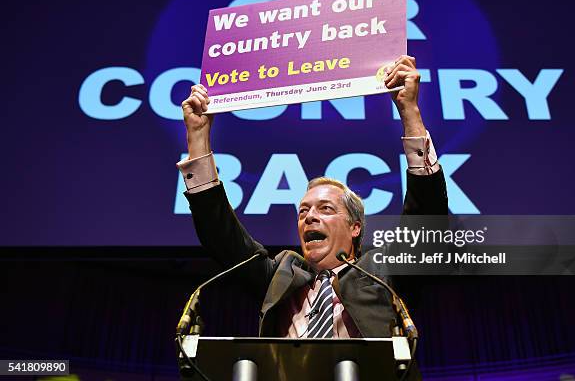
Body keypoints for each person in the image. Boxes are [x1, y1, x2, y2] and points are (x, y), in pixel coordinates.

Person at [177, 55, 448, 379]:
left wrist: (410, 112)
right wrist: (197, 138)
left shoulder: (383, 272)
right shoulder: (281, 274)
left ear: (355, 227)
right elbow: (220, 235)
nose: (309, 217)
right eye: (303, 211)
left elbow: (426, 219)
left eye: (326, 209)